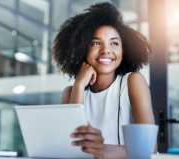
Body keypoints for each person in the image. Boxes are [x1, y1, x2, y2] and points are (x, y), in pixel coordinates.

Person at [53, 2, 155, 159]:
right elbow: (71, 147)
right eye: (96, 43)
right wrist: (79, 85)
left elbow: (148, 148)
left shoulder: (132, 82)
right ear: (83, 49)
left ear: (123, 51)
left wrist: (102, 150)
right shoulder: (70, 92)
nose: (106, 50)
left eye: (114, 43)